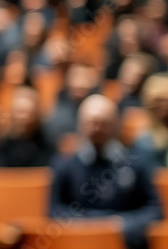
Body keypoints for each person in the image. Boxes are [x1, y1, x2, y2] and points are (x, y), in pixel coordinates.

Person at [49, 95, 161, 249]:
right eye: (92, 122)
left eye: (103, 123)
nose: (97, 128)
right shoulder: (64, 164)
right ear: (80, 124)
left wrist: (122, 223)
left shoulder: (137, 162)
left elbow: (154, 209)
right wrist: (90, 224)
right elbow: (53, 210)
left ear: (116, 124)